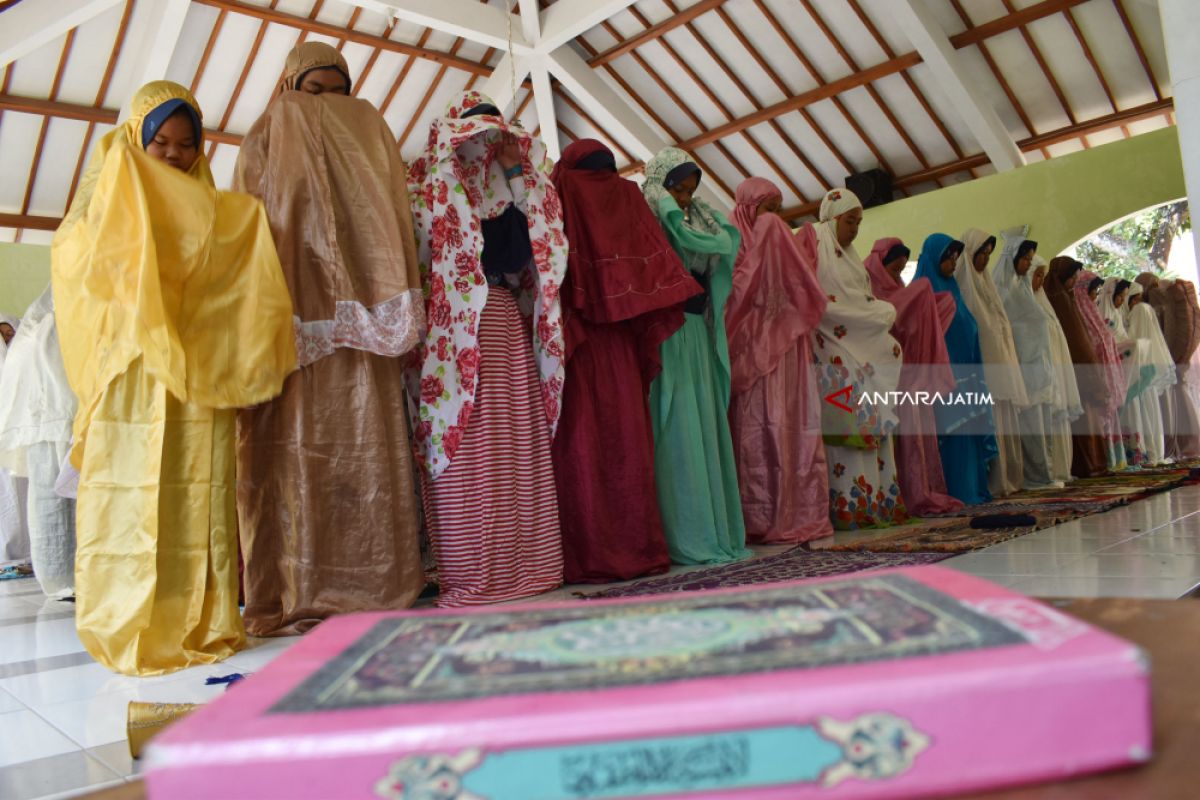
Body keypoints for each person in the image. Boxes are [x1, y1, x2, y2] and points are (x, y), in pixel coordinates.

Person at [52, 81, 295, 675]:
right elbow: (74, 260)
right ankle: (127, 622)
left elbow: (235, 284)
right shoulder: (106, 191)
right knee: (130, 501)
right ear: (136, 137)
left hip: (196, 378)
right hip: (132, 374)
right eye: (159, 142)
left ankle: (202, 620)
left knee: (197, 502)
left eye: (186, 145)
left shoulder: (215, 206)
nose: (173, 156)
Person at [234, 44, 428, 629]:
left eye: (337, 95)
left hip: (368, 331)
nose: (325, 108)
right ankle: (297, 585)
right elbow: (248, 231)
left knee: (369, 457)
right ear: (289, 85)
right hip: (292, 330)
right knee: (294, 460)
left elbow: (392, 218)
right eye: (311, 94)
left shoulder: (371, 132)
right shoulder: (266, 135)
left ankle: (378, 579)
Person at [408, 90, 566, 603]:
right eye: (474, 133)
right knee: (464, 447)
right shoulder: (429, 187)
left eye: (491, 134)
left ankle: (527, 563)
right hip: (450, 333)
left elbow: (527, 250)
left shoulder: (505, 192)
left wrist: (512, 172)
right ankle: (472, 566)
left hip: (500, 323)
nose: (483, 143)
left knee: (514, 443)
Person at [550, 140, 698, 581]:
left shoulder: (562, 192)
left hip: (577, 343)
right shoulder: (625, 195)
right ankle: (635, 547)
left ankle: (594, 553)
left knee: (586, 448)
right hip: (616, 346)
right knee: (625, 445)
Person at [642, 148, 750, 562]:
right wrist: (666, 203)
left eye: (690, 191)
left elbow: (722, 243)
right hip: (669, 337)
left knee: (704, 426)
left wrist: (685, 206)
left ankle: (714, 529)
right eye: (678, 190)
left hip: (698, 337)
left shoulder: (695, 220)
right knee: (679, 430)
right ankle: (686, 533)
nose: (685, 199)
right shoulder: (652, 220)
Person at [726, 178, 831, 543]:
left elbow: (802, 291)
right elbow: (732, 299)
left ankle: (795, 511)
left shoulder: (780, 246)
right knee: (757, 432)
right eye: (767, 211)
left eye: (777, 212)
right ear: (748, 209)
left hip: (789, 358)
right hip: (752, 358)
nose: (774, 221)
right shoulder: (732, 244)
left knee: (791, 428)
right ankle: (758, 515)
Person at [797, 189, 908, 529]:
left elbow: (861, 299)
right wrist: (867, 314)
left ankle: (875, 503)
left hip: (859, 352)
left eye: (859, 222)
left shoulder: (852, 260)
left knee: (870, 427)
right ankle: (849, 508)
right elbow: (817, 299)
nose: (855, 229)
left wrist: (874, 312)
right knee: (846, 426)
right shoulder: (814, 242)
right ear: (832, 217)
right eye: (850, 221)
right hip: (832, 352)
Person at [864, 237, 962, 515]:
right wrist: (920, 294)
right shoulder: (870, 288)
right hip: (884, 379)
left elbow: (915, 312)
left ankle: (920, 490)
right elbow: (888, 314)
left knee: (916, 438)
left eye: (901, 270)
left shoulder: (899, 290)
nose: (898, 276)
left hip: (908, 378)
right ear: (879, 265)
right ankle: (903, 493)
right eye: (894, 270)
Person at [0, 291, 78, 596]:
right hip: (45, 421)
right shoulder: (44, 324)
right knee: (49, 498)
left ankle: (60, 576)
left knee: (52, 497)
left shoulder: (37, 323)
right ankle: (60, 577)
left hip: (52, 420)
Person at [913, 234, 999, 505]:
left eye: (954, 257)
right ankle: (958, 490)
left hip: (967, 374)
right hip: (942, 379)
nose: (952, 263)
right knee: (953, 435)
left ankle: (973, 489)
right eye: (947, 257)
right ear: (933, 258)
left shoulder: (953, 287)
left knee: (969, 432)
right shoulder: (922, 289)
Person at [955, 229, 1028, 497]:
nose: (985, 259)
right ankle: (995, 482)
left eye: (988, 254)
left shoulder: (986, 285)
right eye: (980, 253)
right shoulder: (963, 287)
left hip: (1001, 370)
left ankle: (1010, 480)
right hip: (982, 373)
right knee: (992, 424)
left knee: (1005, 423)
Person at [992, 237, 1057, 488]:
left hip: (1038, 367)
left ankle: (1045, 473)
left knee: (1042, 426)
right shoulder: (1002, 290)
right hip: (1021, 366)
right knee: (1030, 426)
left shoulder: (1022, 287)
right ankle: (1035, 476)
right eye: (1025, 258)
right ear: (1012, 258)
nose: (1027, 263)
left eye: (1030, 259)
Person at [1043, 258, 1110, 477]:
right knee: (1080, 424)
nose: (1073, 282)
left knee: (1087, 422)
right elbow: (1073, 340)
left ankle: (1094, 464)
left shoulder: (1068, 299)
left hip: (1081, 369)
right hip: (1071, 369)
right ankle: (1085, 465)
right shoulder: (1057, 299)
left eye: (1074, 278)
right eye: (1070, 277)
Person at [1030, 257, 1083, 484]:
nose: (1039, 280)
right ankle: (1049, 471)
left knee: (1059, 421)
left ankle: (1061, 469)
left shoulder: (1044, 301)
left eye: (1042, 275)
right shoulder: (1022, 301)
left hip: (1054, 370)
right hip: (1037, 375)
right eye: (1036, 275)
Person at [1074, 267, 1127, 471]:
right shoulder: (1080, 315)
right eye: (1092, 292)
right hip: (1090, 380)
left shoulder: (1093, 315)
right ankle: (1103, 461)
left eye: (1096, 293)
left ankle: (1114, 460)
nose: (1095, 297)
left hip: (1104, 378)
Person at [1123, 280, 1174, 464]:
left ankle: (1149, 453)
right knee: (1152, 414)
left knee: (1144, 414)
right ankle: (1155, 452)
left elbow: (1135, 339)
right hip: (1149, 367)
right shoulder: (1147, 309)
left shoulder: (1138, 310)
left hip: (1139, 368)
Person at [0, 314, 30, 567]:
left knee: (20, 496)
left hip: (19, 434)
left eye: (11, 333)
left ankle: (22, 555)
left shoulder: (24, 354)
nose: (8, 337)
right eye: (4, 334)